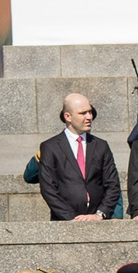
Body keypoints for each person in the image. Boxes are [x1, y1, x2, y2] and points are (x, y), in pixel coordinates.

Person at [38, 92, 121, 220]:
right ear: (68, 116)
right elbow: (48, 188)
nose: (89, 117)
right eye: (83, 113)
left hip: (99, 221)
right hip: (65, 222)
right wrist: (72, 218)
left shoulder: (101, 145)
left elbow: (112, 184)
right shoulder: (50, 147)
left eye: (90, 112)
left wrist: (100, 214)